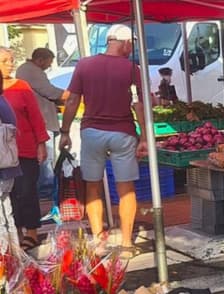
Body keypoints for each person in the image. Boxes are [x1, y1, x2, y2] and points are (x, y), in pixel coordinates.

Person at [59, 24, 147, 259]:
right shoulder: (131, 68)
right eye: (131, 45)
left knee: (92, 185)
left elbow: (72, 100)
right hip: (123, 132)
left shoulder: (84, 64)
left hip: (92, 132)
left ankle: (98, 240)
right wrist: (145, 137)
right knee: (126, 187)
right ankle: (127, 243)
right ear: (126, 43)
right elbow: (139, 103)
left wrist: (65, 131)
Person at [0, 47, 50, 251]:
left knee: (27, 191)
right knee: (9, 197)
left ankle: (31, 232)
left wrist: (41, 143)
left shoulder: (21, 86)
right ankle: (15, 233)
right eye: (5, 61)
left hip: (25, 149)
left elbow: (36, 117)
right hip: (3, 155)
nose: (10, 64)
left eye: (11, 60)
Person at [15, 48, 67, 201]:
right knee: (46, 160)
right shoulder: (31, 71)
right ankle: (45, 195)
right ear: (41, 60)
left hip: (41, 121)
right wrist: (71, 95)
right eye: (49, 63)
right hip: (43, 123)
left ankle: (43, 192)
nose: (49, 66)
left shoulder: (26, 70)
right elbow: (50, 91)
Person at [0, 70, 24, 250]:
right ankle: (13, 259)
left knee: (3, 220)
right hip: (8, 167)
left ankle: (5, 264)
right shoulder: (4, 102)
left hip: (3, 169)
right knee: (6, 215)